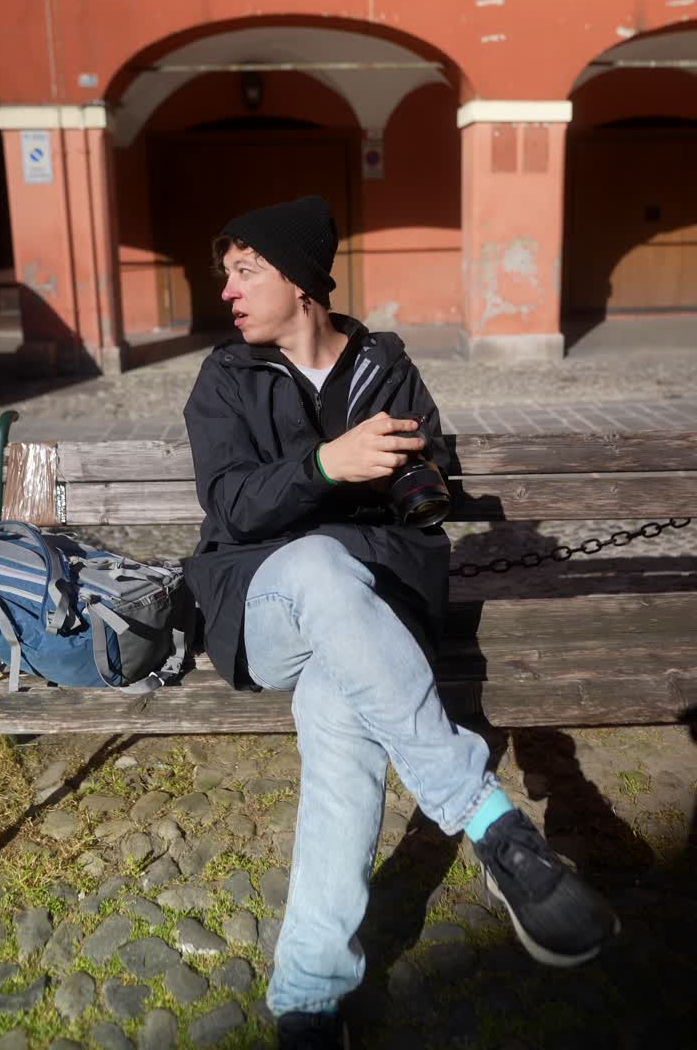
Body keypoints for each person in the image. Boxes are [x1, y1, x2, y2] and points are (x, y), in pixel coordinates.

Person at [184, 196, 618, 1050]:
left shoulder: (384, 364)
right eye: (224, 275)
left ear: (301, 282)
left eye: (245, 271)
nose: (228, 292)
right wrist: (324, 466)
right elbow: (230, 507)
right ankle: (490, 821)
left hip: (374, 616)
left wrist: (423, 476)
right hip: (266, 605)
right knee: (315, 565)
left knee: (340, 720)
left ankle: (308, 999)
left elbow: (437, 478)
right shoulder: (225, 378)